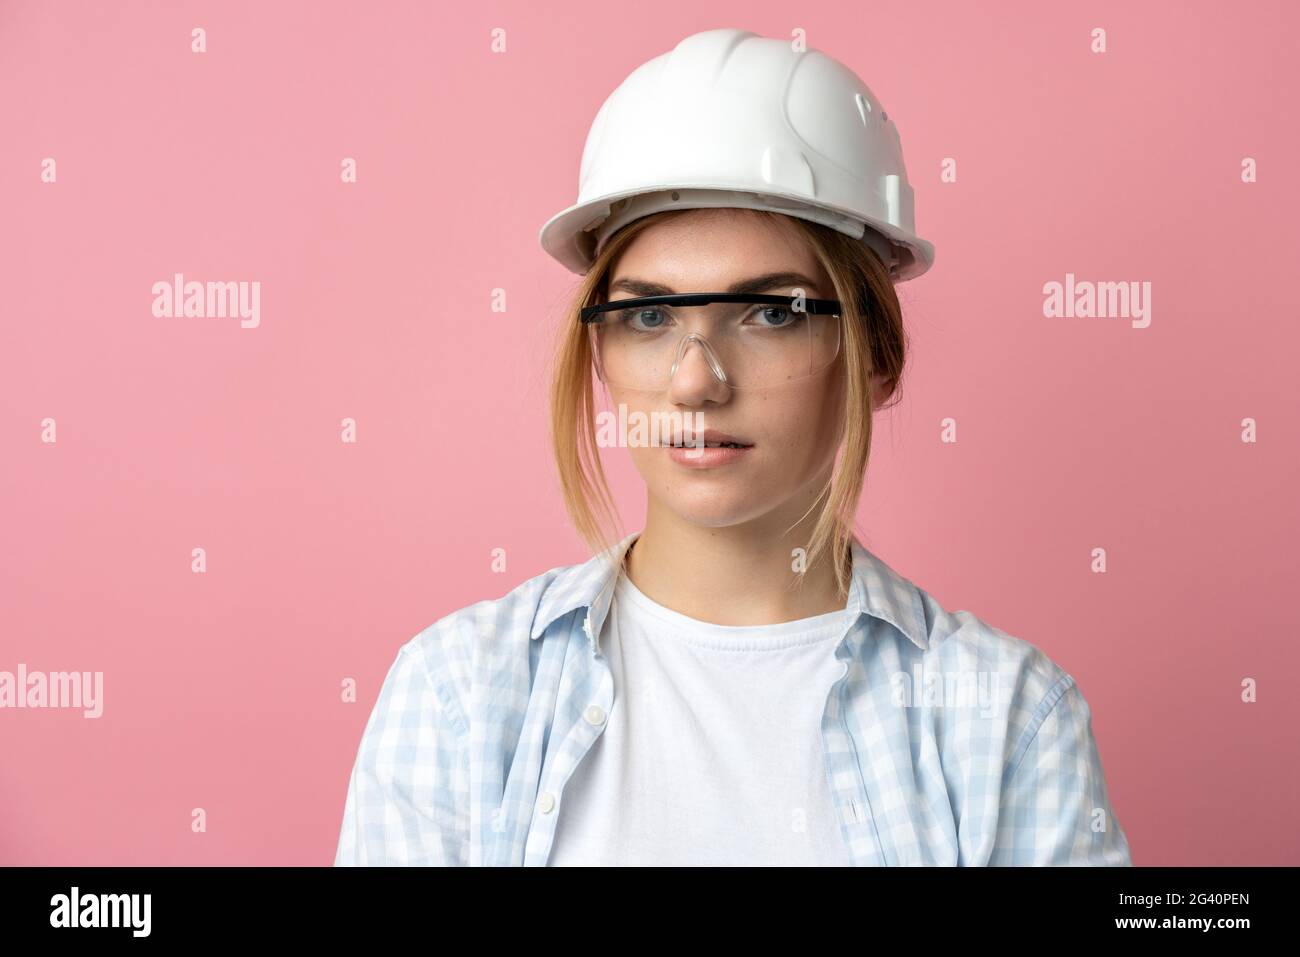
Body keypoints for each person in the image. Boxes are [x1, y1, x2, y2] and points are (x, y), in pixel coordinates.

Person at [333, 27, 1131, 867]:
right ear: (599, 353)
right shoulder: (458, 697)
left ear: (875, 355)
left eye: (771, 313)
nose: (695, 381)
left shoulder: (1004, 721)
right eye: (649, 316)